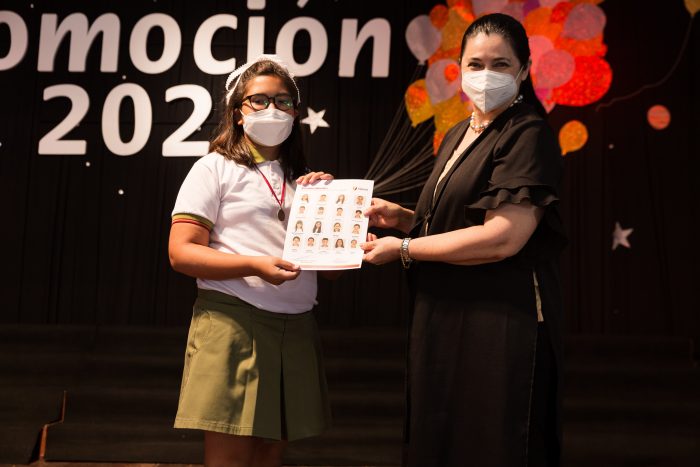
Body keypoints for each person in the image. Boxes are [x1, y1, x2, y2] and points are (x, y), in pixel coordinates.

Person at [361, 14, 566, 467]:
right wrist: (404, 219)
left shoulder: (527, 133)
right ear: (460, 68)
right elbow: (458, 221)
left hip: (497, 322)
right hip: (447, 313)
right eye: (475, 64)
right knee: (442, 439)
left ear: (524, 70)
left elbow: (502, 238)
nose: (485, 75)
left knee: (491, 442)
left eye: (500, 64)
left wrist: (404, 249)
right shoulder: (460, 131)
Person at [169, 55, 335, 467]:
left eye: (282, 101)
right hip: (234, 323)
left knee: (269, 456)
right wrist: (254, 265)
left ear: (295, 113)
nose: (271, 109)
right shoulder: (214, 168)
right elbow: (181, 252)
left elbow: (324, 258)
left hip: (295, 328)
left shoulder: (304, 180)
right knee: (231, 459)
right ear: (238, 112)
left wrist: (335, 212)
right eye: (258, 100)